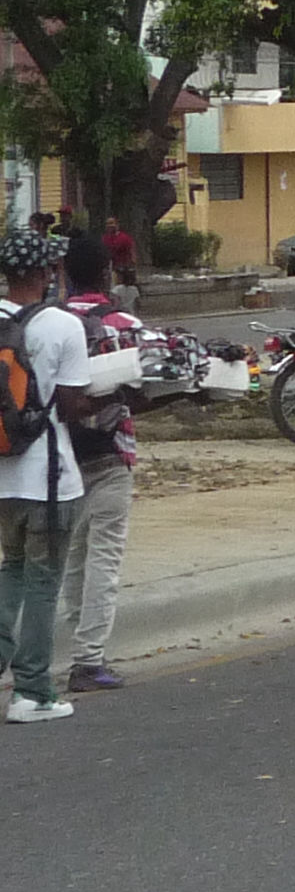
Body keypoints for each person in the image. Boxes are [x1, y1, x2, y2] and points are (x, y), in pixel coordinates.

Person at [54, 235, 159, 693]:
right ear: (106, 273)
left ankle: (71, 648)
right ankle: (89, 659)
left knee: (72, 558)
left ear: (63, 274)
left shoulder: (48, 323)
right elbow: (148, 385)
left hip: (60, 455)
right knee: (104, 557)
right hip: (111, 452)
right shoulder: (123, 324)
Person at [0, 230, 92, 722]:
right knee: (42, 581)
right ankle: (32, 691)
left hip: (3, 479)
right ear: (44, 272)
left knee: (11, 570)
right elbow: (75, 405)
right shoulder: (63, 325)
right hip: (50, 478)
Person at [102, 218, 138, 288]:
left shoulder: (124, 238)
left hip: (123, 268)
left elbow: (132, 250)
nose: (110, 226)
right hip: (109, 268)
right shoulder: (104, 238)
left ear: (117, 225)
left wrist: (133, 264)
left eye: (112, 223)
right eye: (108, 224)